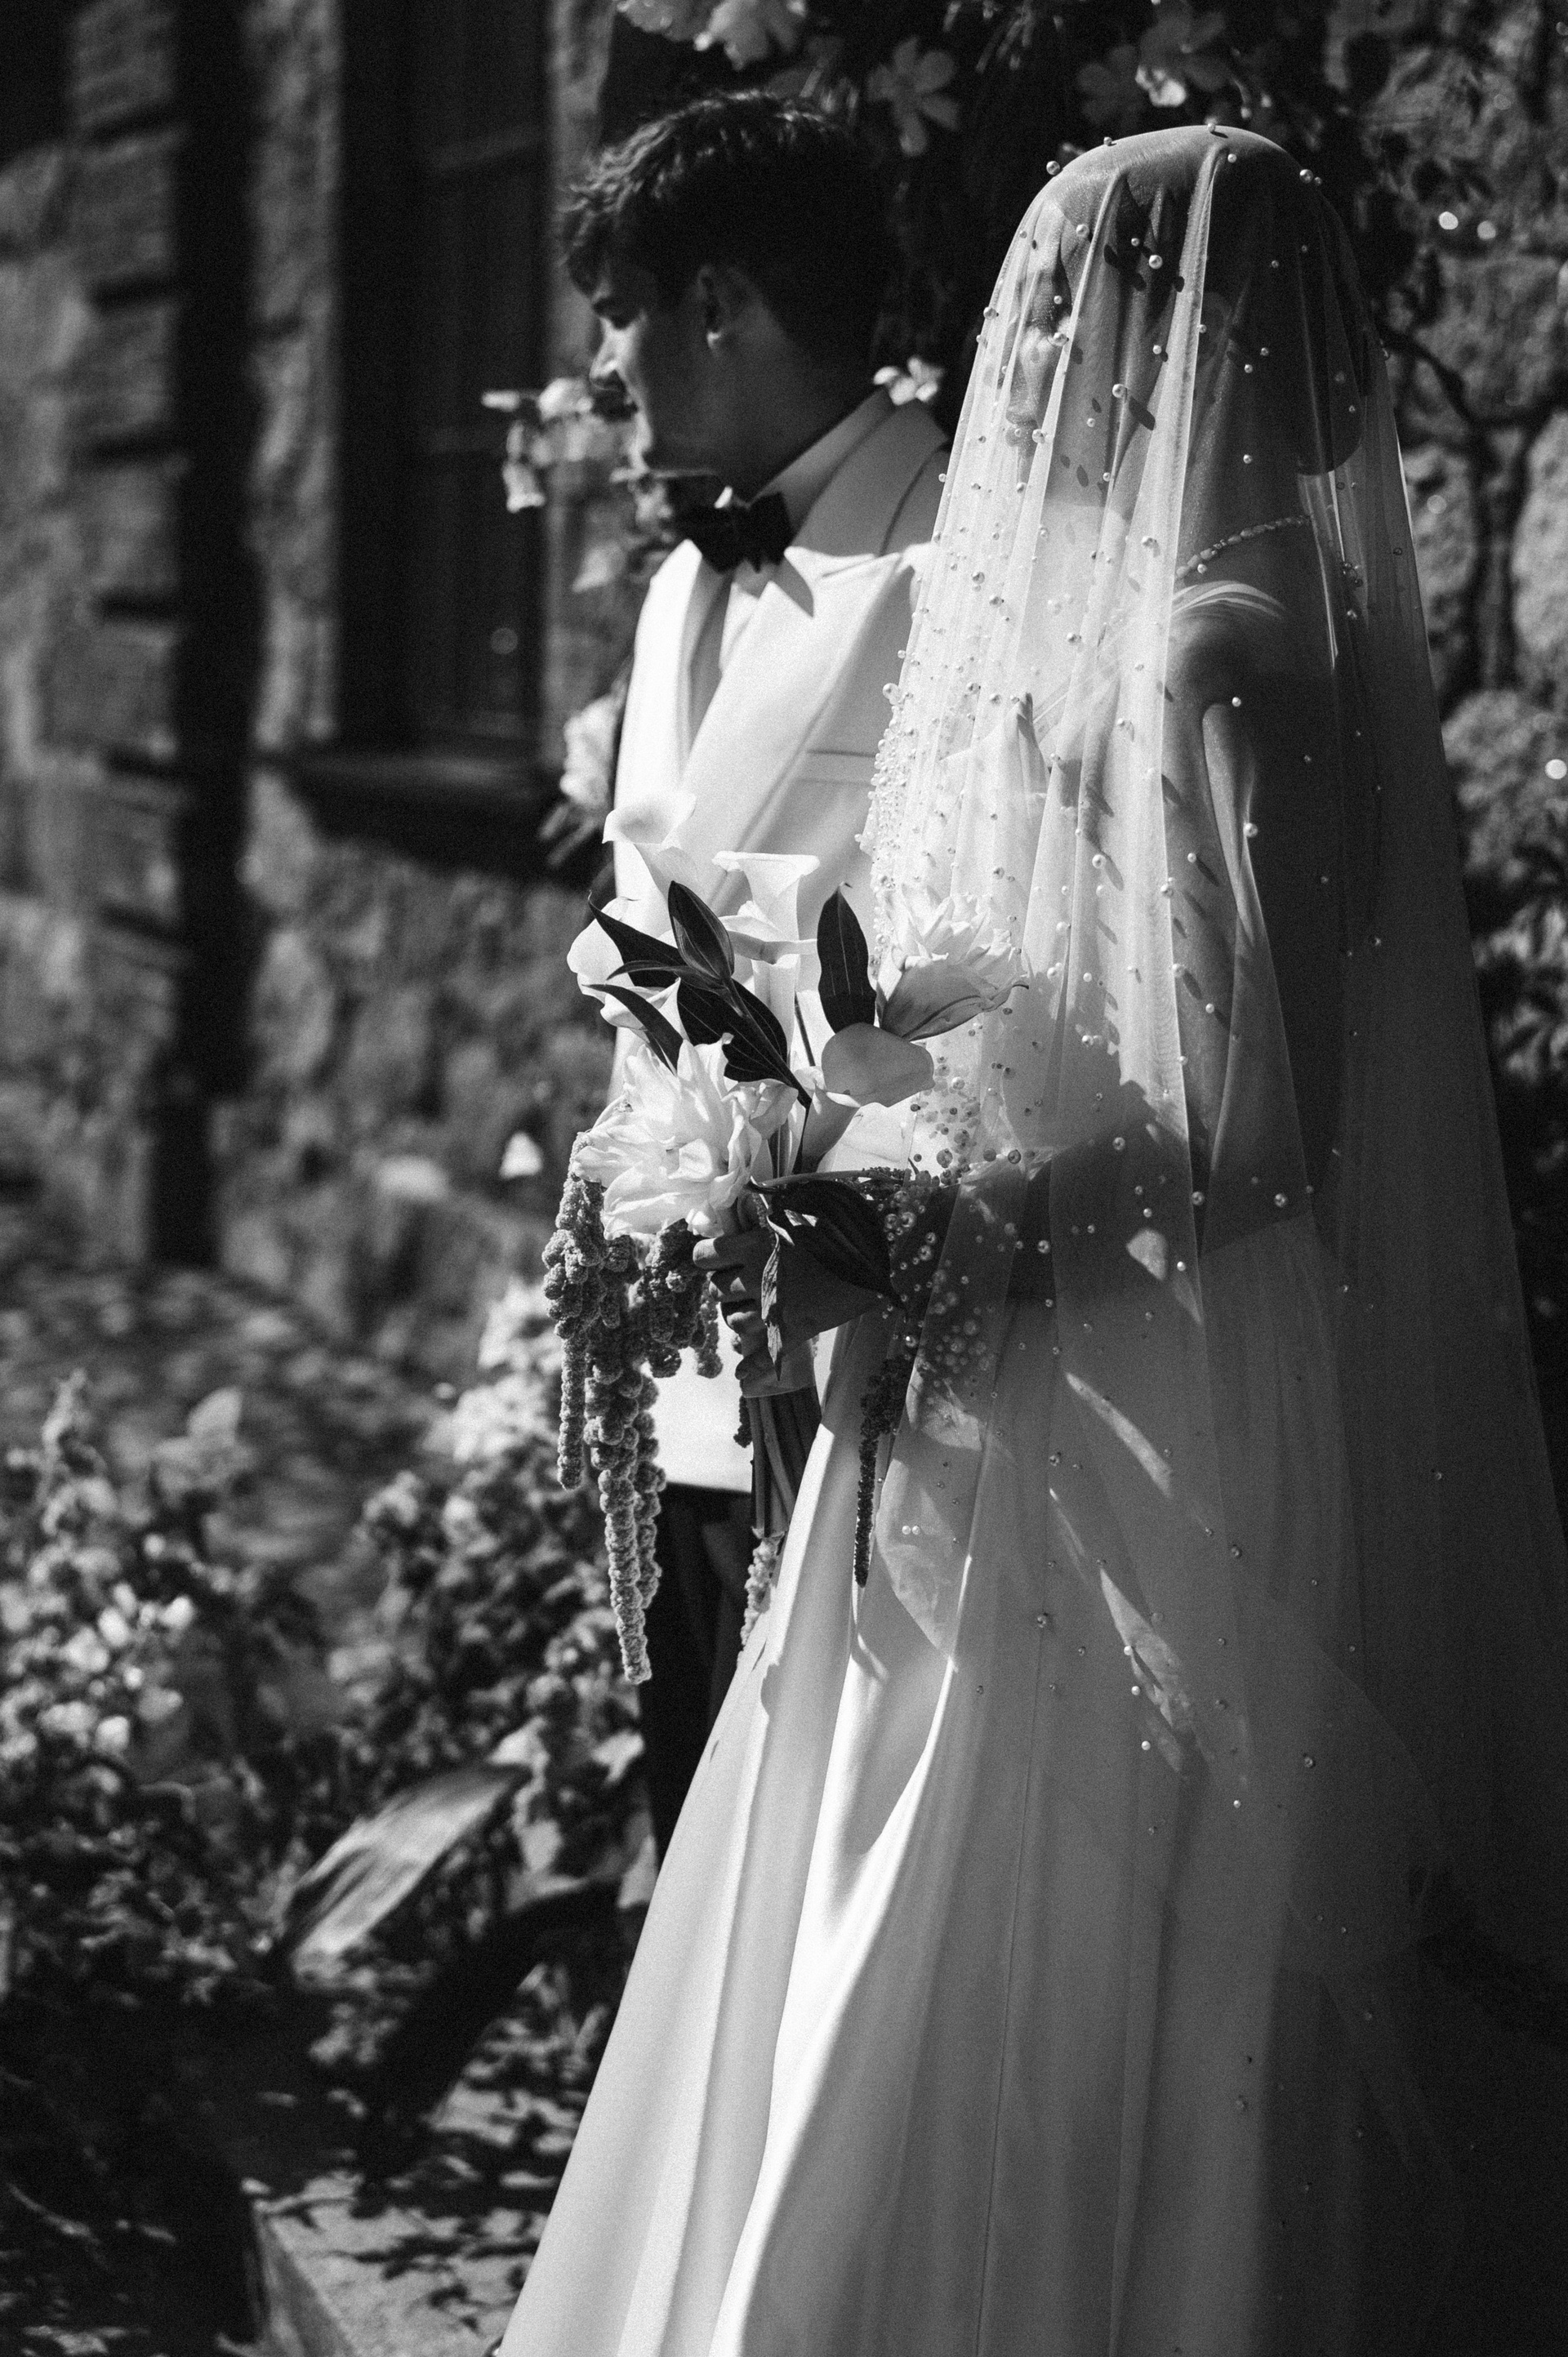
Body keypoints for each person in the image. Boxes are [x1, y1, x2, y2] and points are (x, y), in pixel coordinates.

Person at [504, 127, 1568, 2355]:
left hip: (1126, 1336)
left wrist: (961, 1228)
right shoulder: (1137, 629)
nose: (1031, 366)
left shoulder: (1232, 650)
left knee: (1045, 1907)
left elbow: (1274, 1133)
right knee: (899, 1865)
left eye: (1067, 315)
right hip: (1014, 1326)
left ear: (1156, 342)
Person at [562, 94, 947, 1859]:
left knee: (815, 1864)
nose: (603, 365)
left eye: (618, 313)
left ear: (714, 302)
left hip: (874, 1369)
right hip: (675, 1368)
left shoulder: (956, 554)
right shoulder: (673, 589)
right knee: (691, 1839)